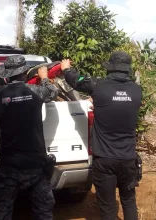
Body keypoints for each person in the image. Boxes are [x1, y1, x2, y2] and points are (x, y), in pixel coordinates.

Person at [61, 51, 142, 220]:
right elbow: (117, 103)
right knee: (128, 200)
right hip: (128, 158)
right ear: (127, 69)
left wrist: (66, 69)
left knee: (107, 207)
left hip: (104, 160)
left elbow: (76, 80)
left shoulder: (98, 86)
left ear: (110, 68)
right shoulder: (136, 90)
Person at [0, 55, 58, 220]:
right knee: (43, 210)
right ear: (25, 72)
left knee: (3, 209)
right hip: (36, 162)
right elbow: (53, 93)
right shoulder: (35, 90)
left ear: (7, 75)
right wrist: (44, 78)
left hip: (9, 162)